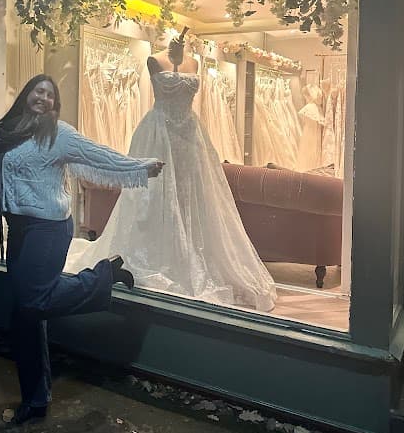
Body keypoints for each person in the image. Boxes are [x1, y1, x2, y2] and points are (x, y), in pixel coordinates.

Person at [0, 74, 163, 425]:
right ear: (26, 94)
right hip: (17, 227)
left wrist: (139, 167)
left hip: (48, 228)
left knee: (33, 301)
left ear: (54, 104)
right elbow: (1, 172)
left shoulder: (59, 134)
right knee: (26, 316)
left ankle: (104, 275)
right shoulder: (7, 131)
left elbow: (98, 154)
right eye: (38, 91)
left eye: (50, 95)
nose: (43, 98)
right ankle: (36, 398)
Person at [67, 32, 276, 312]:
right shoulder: (154, 60)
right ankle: (158, 254)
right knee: (153, 196)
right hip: (158, 133)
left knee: (193, 195)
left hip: (189, 136)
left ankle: (191, 254)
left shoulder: (194, 62)